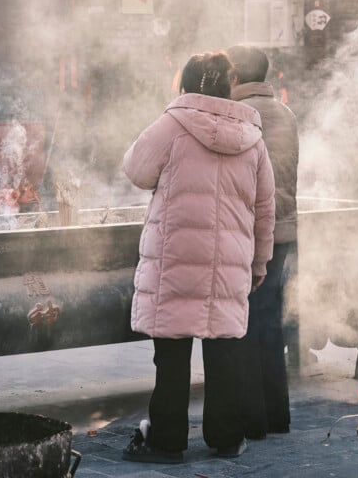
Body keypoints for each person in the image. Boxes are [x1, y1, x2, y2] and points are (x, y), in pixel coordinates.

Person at [121, 51, 276, 464]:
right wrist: (259, 262)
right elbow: (265, 209)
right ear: (230, 87)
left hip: (175, 259)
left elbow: (136, 171)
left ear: (184, 85)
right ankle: (226, 438)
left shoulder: (172, 124)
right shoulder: (252, 135)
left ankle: (167, 442)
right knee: (225, 353)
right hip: (229, 261)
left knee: (171, 356)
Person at [227, 44, 299, 440]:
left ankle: (252, 420)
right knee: (269, 320)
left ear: (235, 75)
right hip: (284, 230)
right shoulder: (284, 113)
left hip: (252, 232)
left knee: (246, 323)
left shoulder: (241, 115)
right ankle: (277, 415)